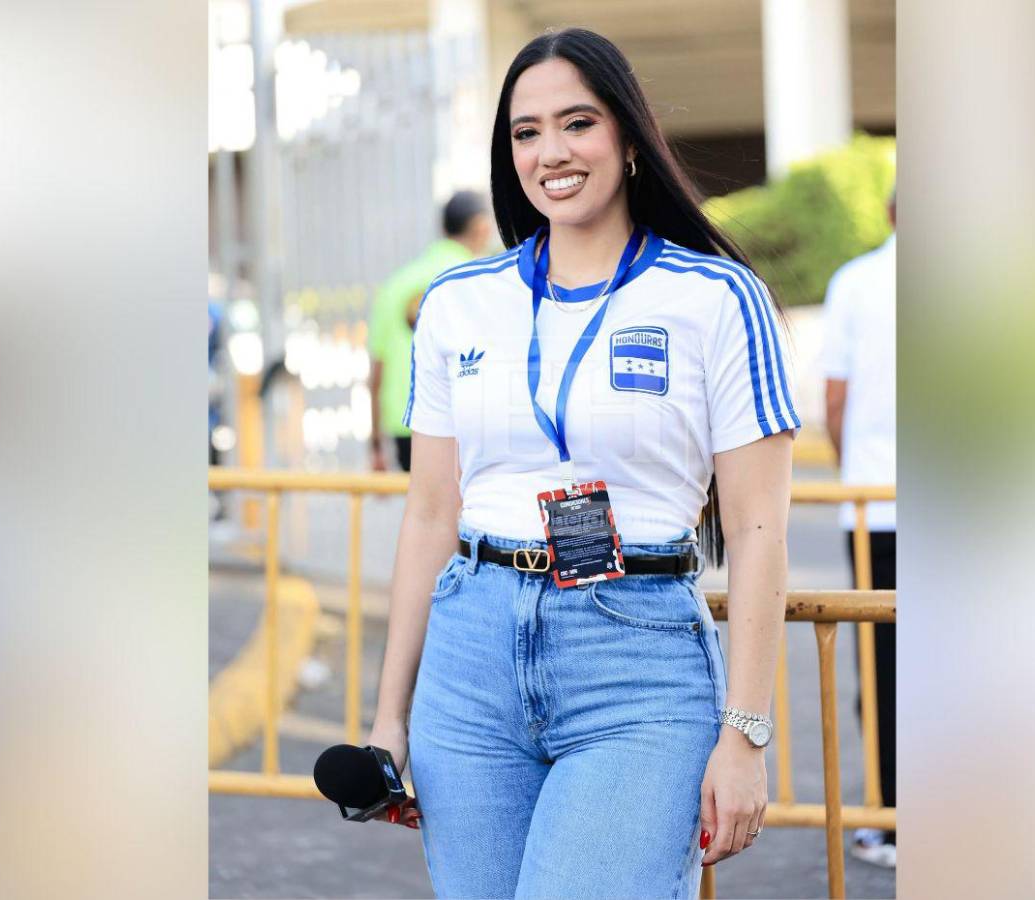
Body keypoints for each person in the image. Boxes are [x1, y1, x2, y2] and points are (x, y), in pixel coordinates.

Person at [366, 28, 801, 898]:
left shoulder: (718, 298)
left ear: (629, 137)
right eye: (526, 132)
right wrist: (388, 722)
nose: (551, 153)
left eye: (577, 123)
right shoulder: (457, 303)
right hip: (470, 655)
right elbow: (430, 514)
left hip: (636, 660)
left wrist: (745, 735)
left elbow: (759, 530)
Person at [822, 188, 896, 869]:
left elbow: (836, 398)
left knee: (883, 664)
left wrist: (853, 470)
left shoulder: (857, 281)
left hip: (877, 503)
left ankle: (890, 817)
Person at [367, 191, 494, 472]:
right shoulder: (479, 279)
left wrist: (375, 441)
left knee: (424, 497)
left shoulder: (396, 284)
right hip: (463, 420)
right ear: (480, 228)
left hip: (405, 423)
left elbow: (377, 370)